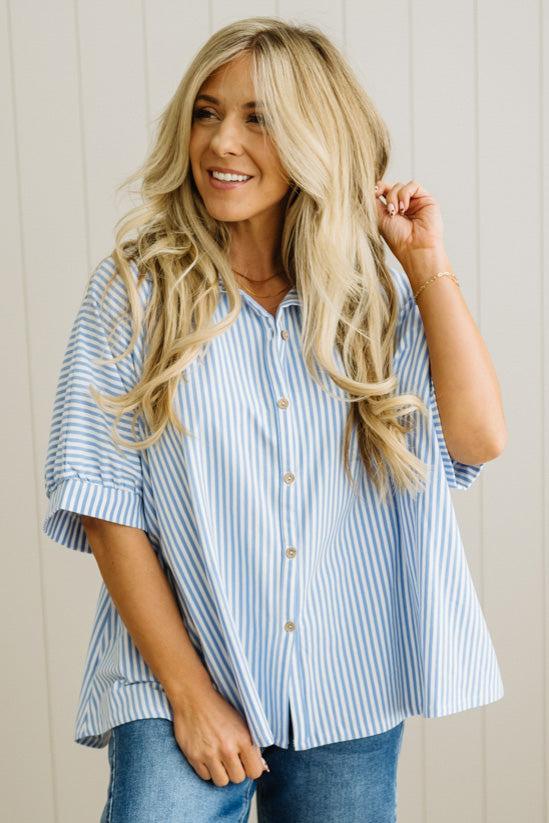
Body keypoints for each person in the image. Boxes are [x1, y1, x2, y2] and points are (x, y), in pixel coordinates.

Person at [42, 16, 506, 823]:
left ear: (314, 135)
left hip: (344, 679)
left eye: (258, 117)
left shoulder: (371, 299)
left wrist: (426, 265)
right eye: (206, 111)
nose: (221, 141)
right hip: (174, 675)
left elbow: (476, 439)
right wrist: (191, 697)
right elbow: (105, 503)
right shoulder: (136, 288)